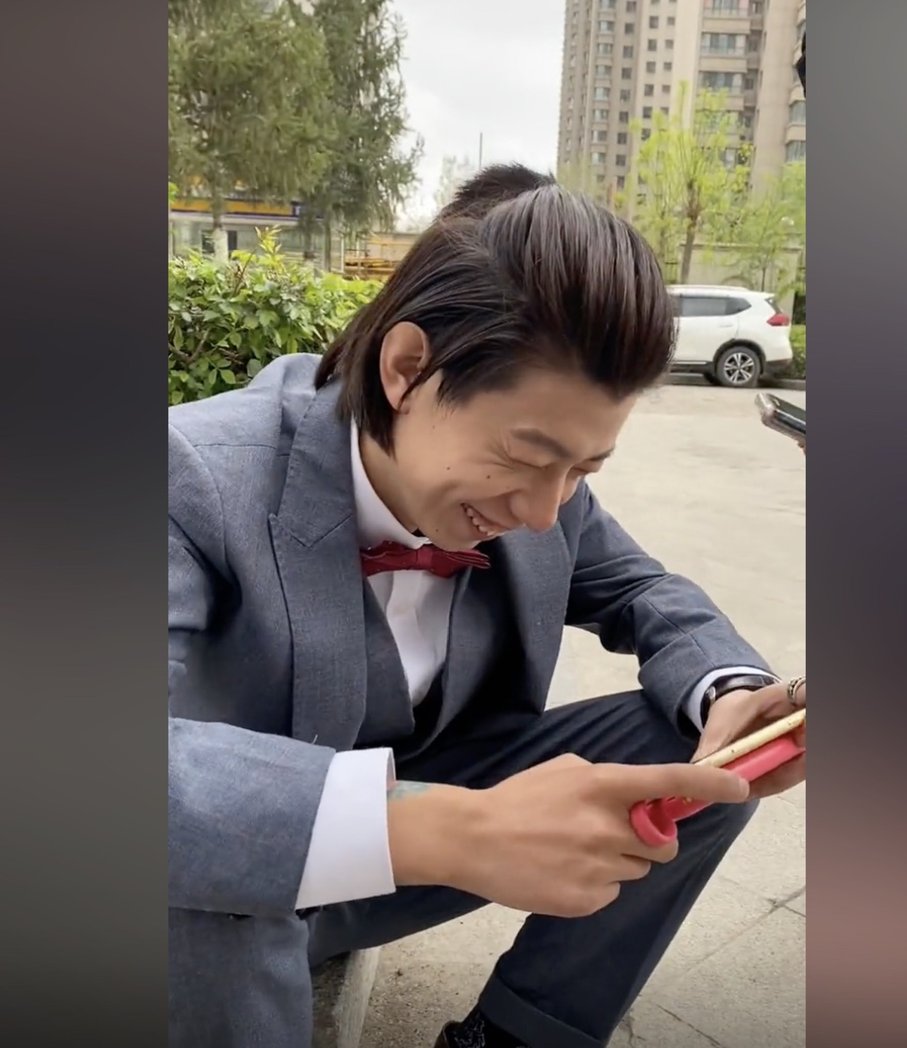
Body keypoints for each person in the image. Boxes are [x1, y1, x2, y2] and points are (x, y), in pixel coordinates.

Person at [169, 170, 807, 1048]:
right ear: (407, 368)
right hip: (237, 897)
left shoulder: (549, 498)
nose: (545, 513)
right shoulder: (193, 472)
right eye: (526, 454)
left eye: (584, 469)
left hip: (416, 859)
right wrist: (436, 827)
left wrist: (728, 693)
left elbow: (645, 591)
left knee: (695, 768)